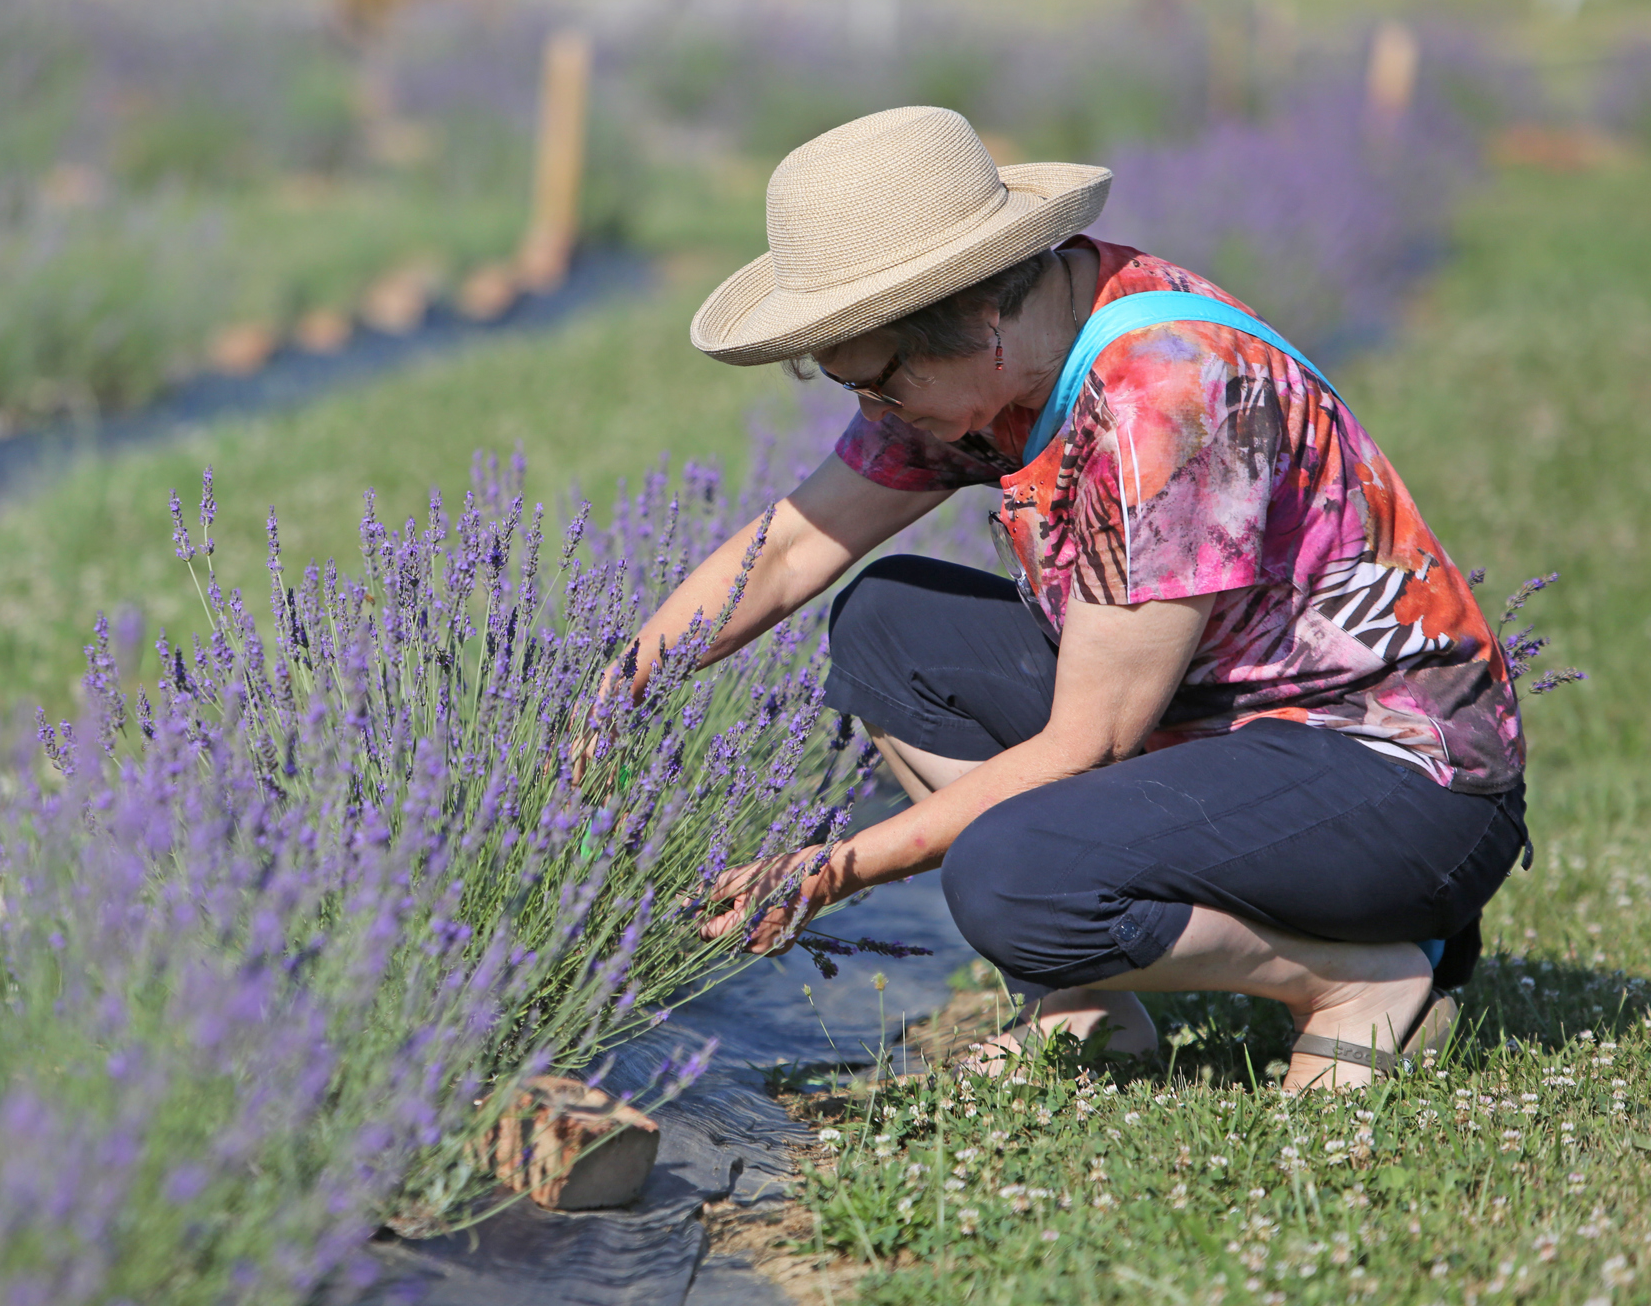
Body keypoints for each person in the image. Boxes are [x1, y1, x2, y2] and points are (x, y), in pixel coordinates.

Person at [619, 106, 1527, 1092]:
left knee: (1006, 875)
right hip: (1226, 726)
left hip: (1392, 787)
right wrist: (614, 689)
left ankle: (1358, 979)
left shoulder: (1161, 397)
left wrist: (832, 869)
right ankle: (1091, 1006)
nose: (872, 413)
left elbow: (1086, 741)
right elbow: (795, 544)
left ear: (980, 315)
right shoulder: (988, 370)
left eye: (877, 380)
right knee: (886, 627)